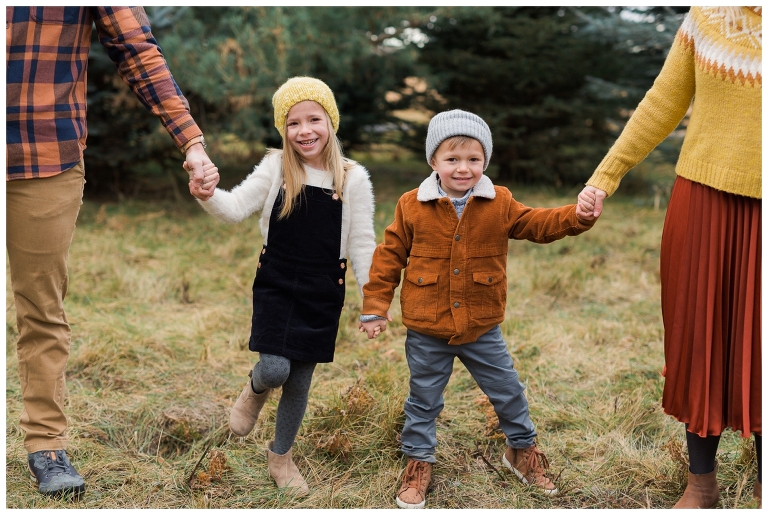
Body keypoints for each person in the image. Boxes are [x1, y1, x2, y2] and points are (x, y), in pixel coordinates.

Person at [5, 6, 218, 499]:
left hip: (43, 157)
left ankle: (46, 446)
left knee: (40, 309)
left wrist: (191, 142)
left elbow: (138, 51)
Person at [359, 109, 598, 509]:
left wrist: (577, 216)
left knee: (508, 391)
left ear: (484, 161)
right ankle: (418, 463)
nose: (463, 168)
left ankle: (521, 452)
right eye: (452, 159)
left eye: (473, 159)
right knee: (424, 400)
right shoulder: (412, 205)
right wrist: (375, 307)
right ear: (433, 162)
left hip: (481, 325)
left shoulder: (498, 201)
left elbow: (537, 223)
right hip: (426, 328)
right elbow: (389, 257)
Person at [576, 6, 761, 509]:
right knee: (698, 342)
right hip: (703, 201)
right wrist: (605, 175)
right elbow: (664, 100)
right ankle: (701, 484)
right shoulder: (707, 16)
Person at [191, 76, 377, 497]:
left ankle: (281, 458)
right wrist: (207, 194)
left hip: (323, 288)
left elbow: (363, 243)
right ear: (283, 129)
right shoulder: (277, 167)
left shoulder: (352, 178)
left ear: (331, 121)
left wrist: (373, 300)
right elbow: (235, 207)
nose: (305, 130)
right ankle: (256, 387)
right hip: (277, 279)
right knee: (276, 368)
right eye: (294, 123)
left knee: (299, 381)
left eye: (314, 119)